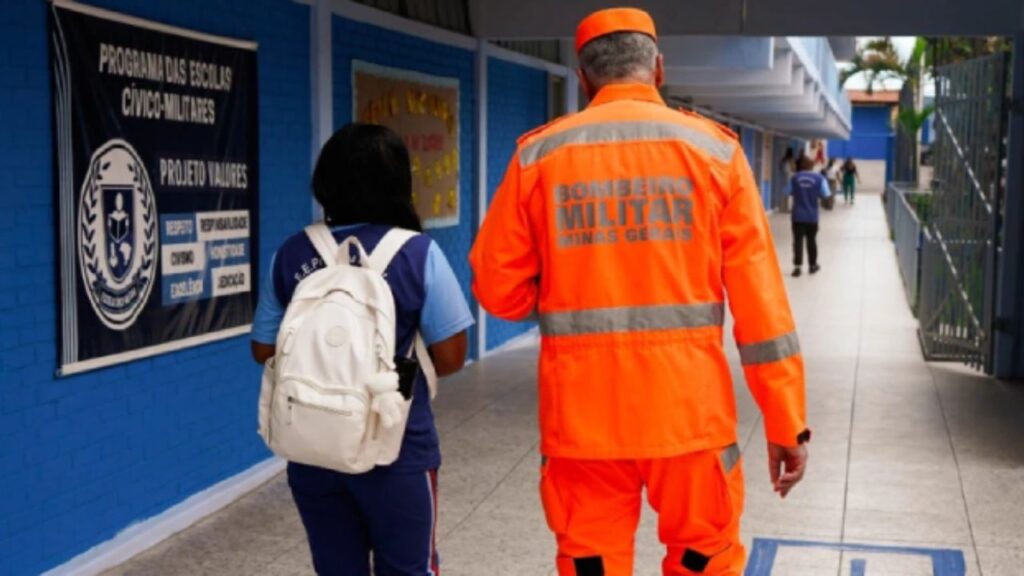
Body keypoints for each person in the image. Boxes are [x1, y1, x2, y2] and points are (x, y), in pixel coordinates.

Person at [470, 8, 809, 575]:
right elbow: (761, 307)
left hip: (583, 423)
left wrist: (565, 289)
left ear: (582, 78)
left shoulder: (539, 157)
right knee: (705, 558)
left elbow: (496, 289)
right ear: (658, 69)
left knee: (592, 564)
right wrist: (785, 421)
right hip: (690, 420)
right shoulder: (717, 154)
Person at [250, 123, 474, 576]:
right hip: (397, 447)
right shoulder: (418, 253)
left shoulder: (291, 254)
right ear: (398, 184)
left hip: (312, 447)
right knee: (408, 569)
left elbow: (263, 349)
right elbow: (451, 358)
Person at [788, 156, 832, 277]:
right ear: (812, 165)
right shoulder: (819, 178)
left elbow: (788, 192)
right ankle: (812, 266)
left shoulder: (794, 178)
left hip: (798, 215)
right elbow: (826, 194)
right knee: (811, 241)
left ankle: (797, 267)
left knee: (797, 241)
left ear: (801, 165)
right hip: (812, 216)